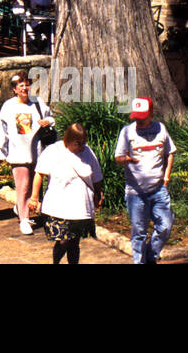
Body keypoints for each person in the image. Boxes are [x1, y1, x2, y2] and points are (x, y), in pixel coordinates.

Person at [0, 71, 55, 235]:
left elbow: (51, 118)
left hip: (37, 151)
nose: (25, 88)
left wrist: (47, 121)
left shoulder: (37, 102)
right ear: (14, 89)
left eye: (27, 84)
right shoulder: (9, 106)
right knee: (23, 186)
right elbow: (1, 130)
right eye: (21, 85)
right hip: (18, 153)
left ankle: (20, 207)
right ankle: (24, 220)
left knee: (35, 188)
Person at [30, 123, 103, 264]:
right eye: (78, 143)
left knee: (74, 243)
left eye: (83, 143)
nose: (81, 147)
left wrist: (98, 193)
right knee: (63, 241)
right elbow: (39, 173)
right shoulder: (53, 151)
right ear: (68, 140)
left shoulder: (87, 152)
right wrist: (34, 197)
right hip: (59, 207)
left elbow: (97, 176)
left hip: (81, 208)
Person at [115, 96, 176, 264]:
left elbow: (169, 153)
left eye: (142, 118)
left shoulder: (161, 129)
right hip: (136, 192)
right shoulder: (127, 132)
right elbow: (117, 157)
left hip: (158, 189)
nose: (139, 122)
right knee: (140, 232)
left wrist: (166, 177)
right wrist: (125, 160)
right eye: (136, 118)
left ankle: (150, 256)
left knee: (165, 226)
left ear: (151, 114)